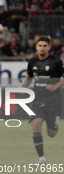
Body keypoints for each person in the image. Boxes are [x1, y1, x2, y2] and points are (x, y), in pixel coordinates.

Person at [20, 35, 64, 165]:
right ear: (36, 47)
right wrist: (22, 87)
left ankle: (53, 124)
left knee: (51, 133)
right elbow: (28, 78)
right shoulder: (32, 61)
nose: (42, 48)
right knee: (36, 126)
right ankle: (42, 159)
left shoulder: (56, 62)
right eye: (40, 46)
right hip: (37, 99)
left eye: (45, 46)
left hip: (53, 101)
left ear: (49, 47)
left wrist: (55, 86)